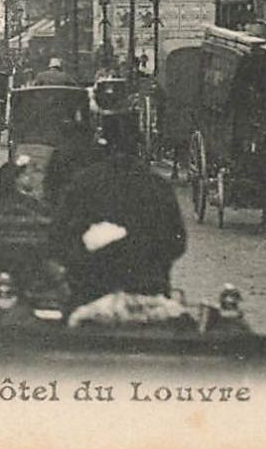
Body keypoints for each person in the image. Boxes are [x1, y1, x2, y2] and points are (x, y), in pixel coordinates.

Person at [50, 112, 186, 307]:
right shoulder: (158, 186)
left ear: (102, 146)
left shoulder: (84, 183)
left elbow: (59, 237)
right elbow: (177, 243)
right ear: (138, 147)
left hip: (91, 295)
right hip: (150, 296)